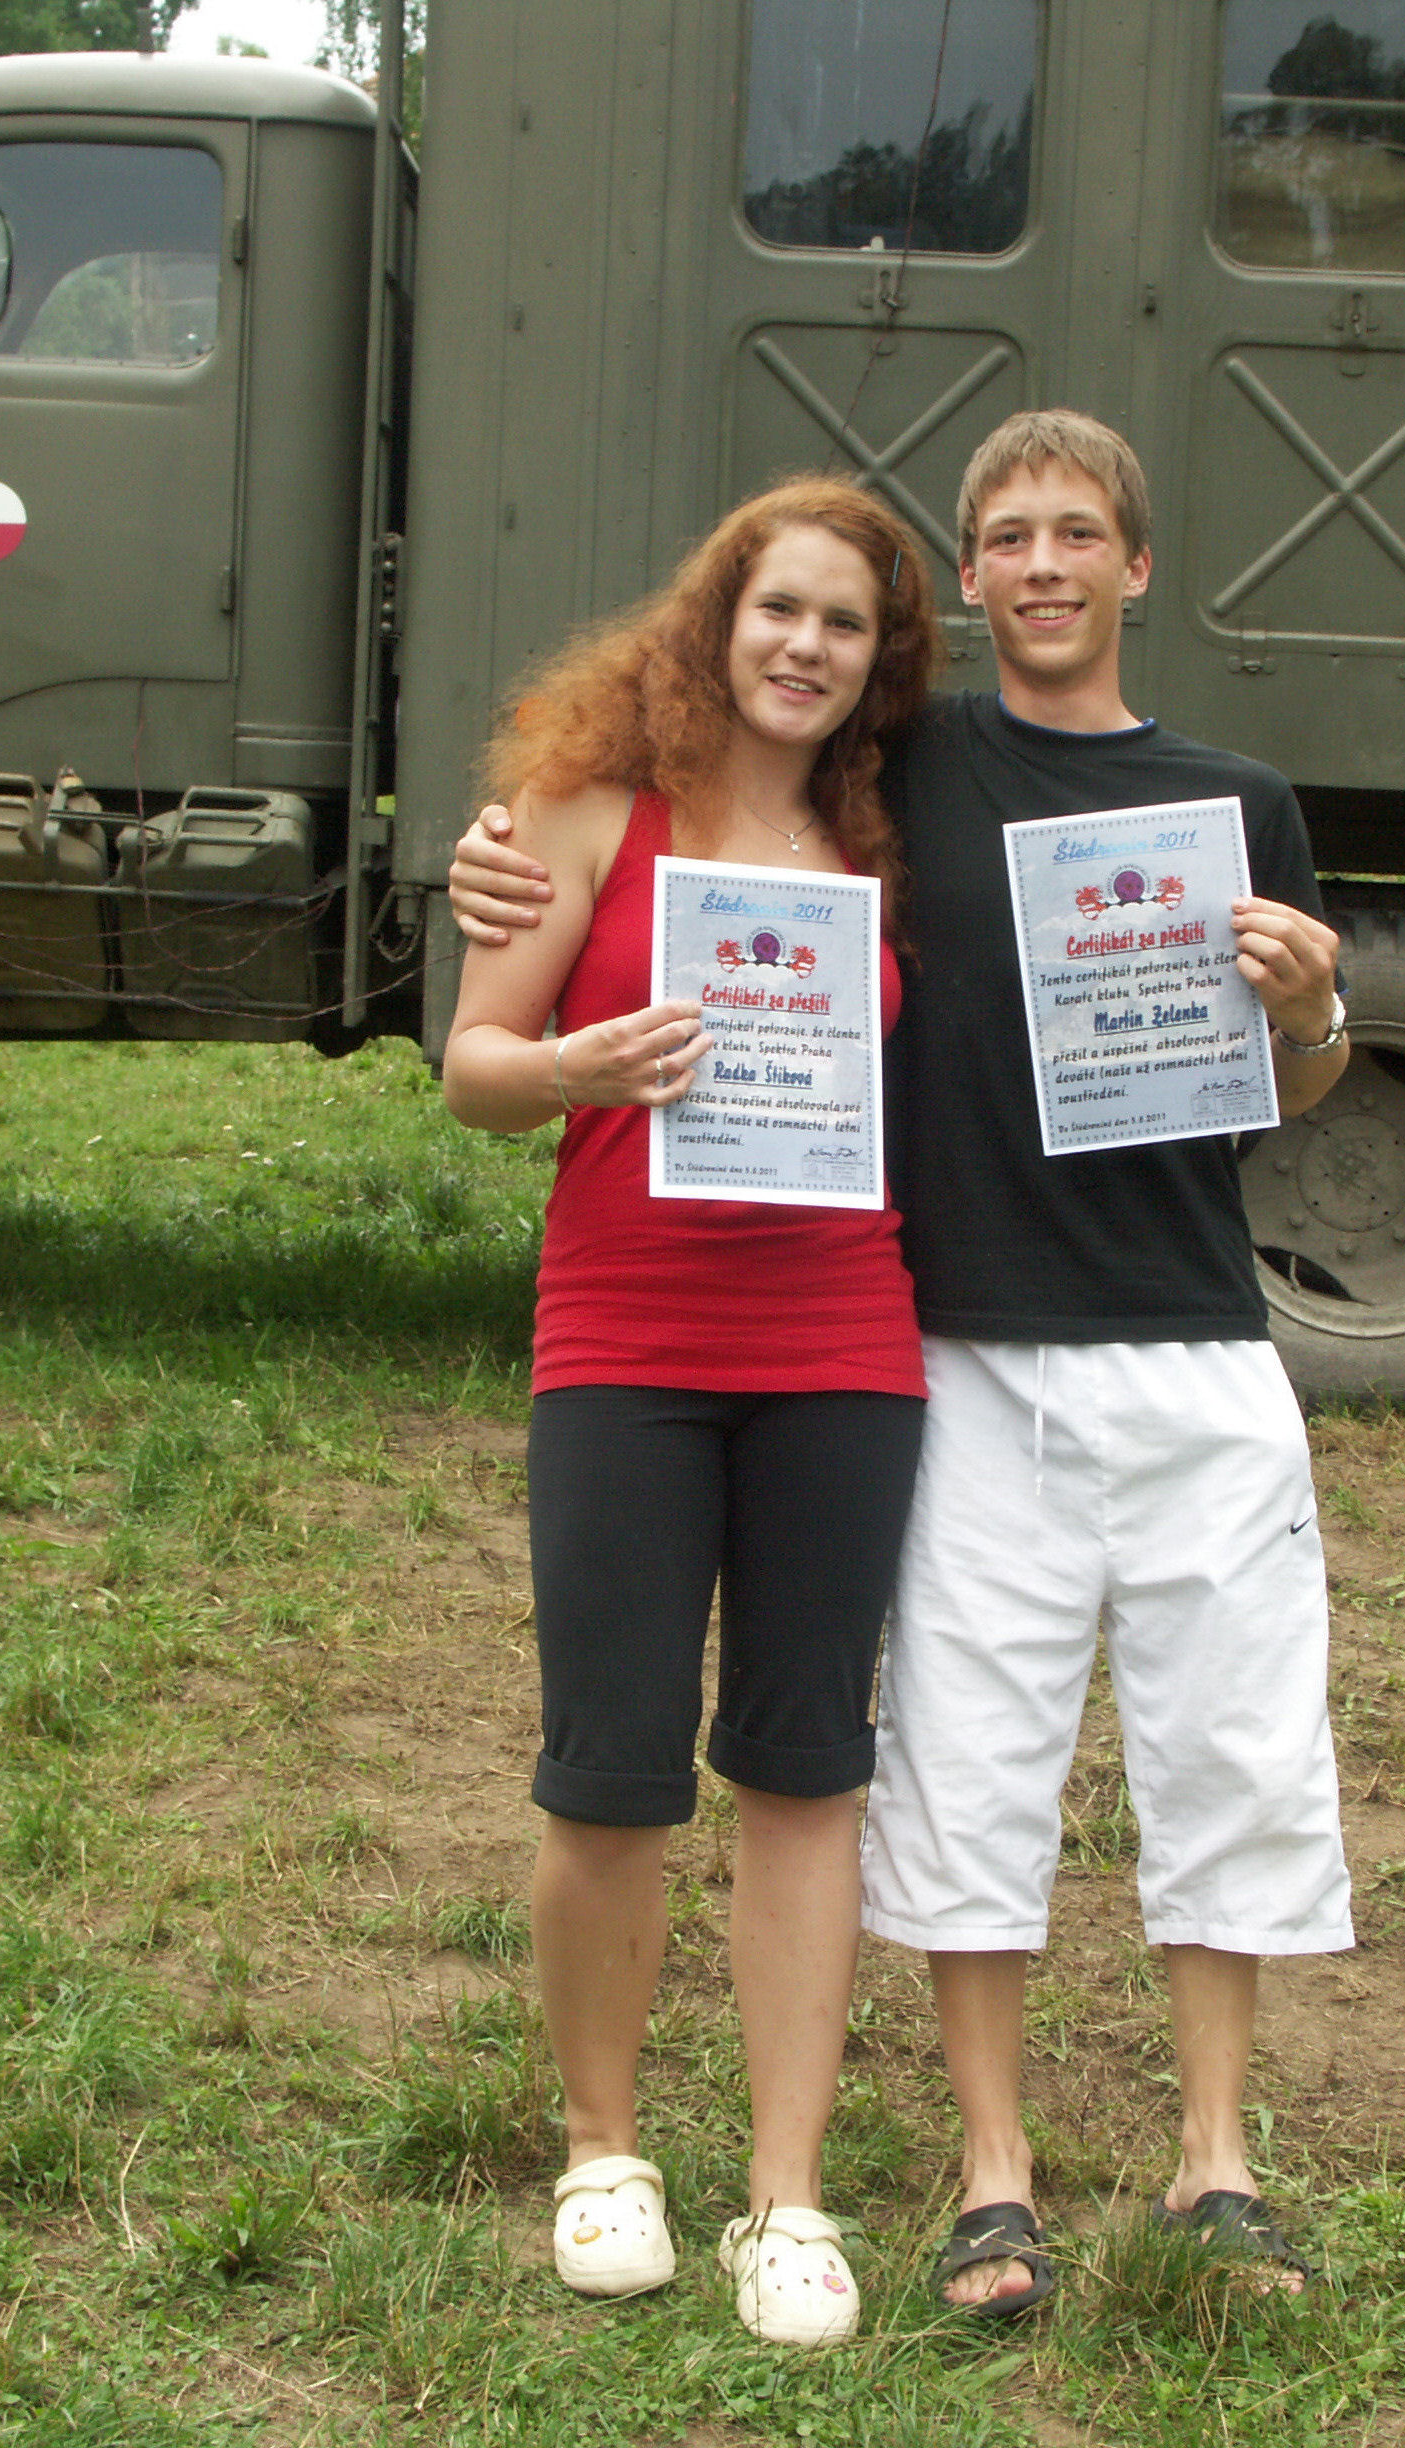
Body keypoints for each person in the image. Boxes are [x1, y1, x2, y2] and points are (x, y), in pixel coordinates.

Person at [449, 410, 1355, 2313]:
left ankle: (1019, 2178)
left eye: (1077, 533)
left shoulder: (1080, 808)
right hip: (788, 1341)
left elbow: (1275, 1083)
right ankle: (772, 2163)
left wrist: (1314, 1011)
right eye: (1005, 536)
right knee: (772, 1761)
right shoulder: (766, 790)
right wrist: (518, 918)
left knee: (1012, 1757)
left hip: (1007, 1340)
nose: (1042, 565)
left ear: (1132, 565)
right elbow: (515, 998)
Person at [441, 477, 941, 2347]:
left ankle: (786, 2199)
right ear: (716, 616)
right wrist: (571, 1064)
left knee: (808, 1768)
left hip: (841, 1347)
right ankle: (604, 2154)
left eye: (845, 625)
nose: (804, 647)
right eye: (778, 608)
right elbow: (473, 1069)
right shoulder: (582, 808)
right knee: (612, 1764)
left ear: (879, 663)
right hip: (626, 1342)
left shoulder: (883, 835)